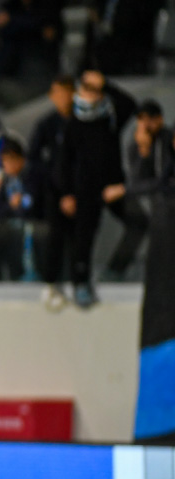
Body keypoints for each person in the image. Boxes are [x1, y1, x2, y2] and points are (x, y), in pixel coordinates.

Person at [55, 71, 147, 307]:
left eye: (95, 90)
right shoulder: (72, 124)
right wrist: (66, 193)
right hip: (84, 190)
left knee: (139, 221)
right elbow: (64, 162)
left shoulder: (110, 117)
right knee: (83, 237)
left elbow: (131, 104)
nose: (91, 94)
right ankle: (80, 282)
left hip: (113, 185)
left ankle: (117, 268)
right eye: (87, 89)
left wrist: (107, 83)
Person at [29, 77, 75, 309]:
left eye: (67, 93)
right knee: (53, 238)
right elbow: (34, 160)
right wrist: (56, 186)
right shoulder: (46, 125)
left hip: (80, 192)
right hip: (53, 194)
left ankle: (78, 280)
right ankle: (50, 282)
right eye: (58, 93)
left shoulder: (83, 122)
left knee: (80, 238)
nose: (63, 98)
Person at [0, 140, 39, 280]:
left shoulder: (34, 177)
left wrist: (22, 202)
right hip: (8, 234)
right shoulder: (4, 182)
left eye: (12, 159)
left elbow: (34, 204)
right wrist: (11, 206)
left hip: (31, 232)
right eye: (5, 161)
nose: (8, 165)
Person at [0, 0, 60, 82]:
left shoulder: (46, 4)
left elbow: (49, 29)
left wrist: (13, 20)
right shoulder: (9, 4)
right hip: (12, 54)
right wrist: (31, 25)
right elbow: (4, 30)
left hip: (37, 53)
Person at [127, 101, 175, 196]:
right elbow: (136, 181)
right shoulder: (135, 145)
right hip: (152, 200)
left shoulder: (169, 139)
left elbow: (166, 179)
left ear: (160, 119)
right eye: (141, 119)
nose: (145, 125)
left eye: (149, 119)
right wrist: (144, 150)